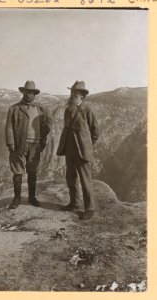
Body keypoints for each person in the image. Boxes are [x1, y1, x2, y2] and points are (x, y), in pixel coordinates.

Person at [5, 81, 53, 209]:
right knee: (18, 172)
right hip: (19, 145)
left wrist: (44, 137)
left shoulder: (41, 109)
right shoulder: (14, 109)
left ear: (34, 95)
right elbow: (9, 127)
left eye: (31, 93)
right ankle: (17, 199)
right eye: (26, 92)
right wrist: (10, 143)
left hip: (35, 145)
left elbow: (47, 125)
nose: (28, 95)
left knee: (32, 172)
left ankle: (32, 197)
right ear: (23, 93)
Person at [56, 81, 100, 220]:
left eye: (77, 93)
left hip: (83, 151)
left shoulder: (87, 110)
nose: (73, 95)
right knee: (71, 178)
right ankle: (74, 203)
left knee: (85, 180)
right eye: (72, 93)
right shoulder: (68, 110)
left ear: (82, 96)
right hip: (70, 150)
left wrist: (87, 144)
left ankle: (90, 208)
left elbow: (95, 131)